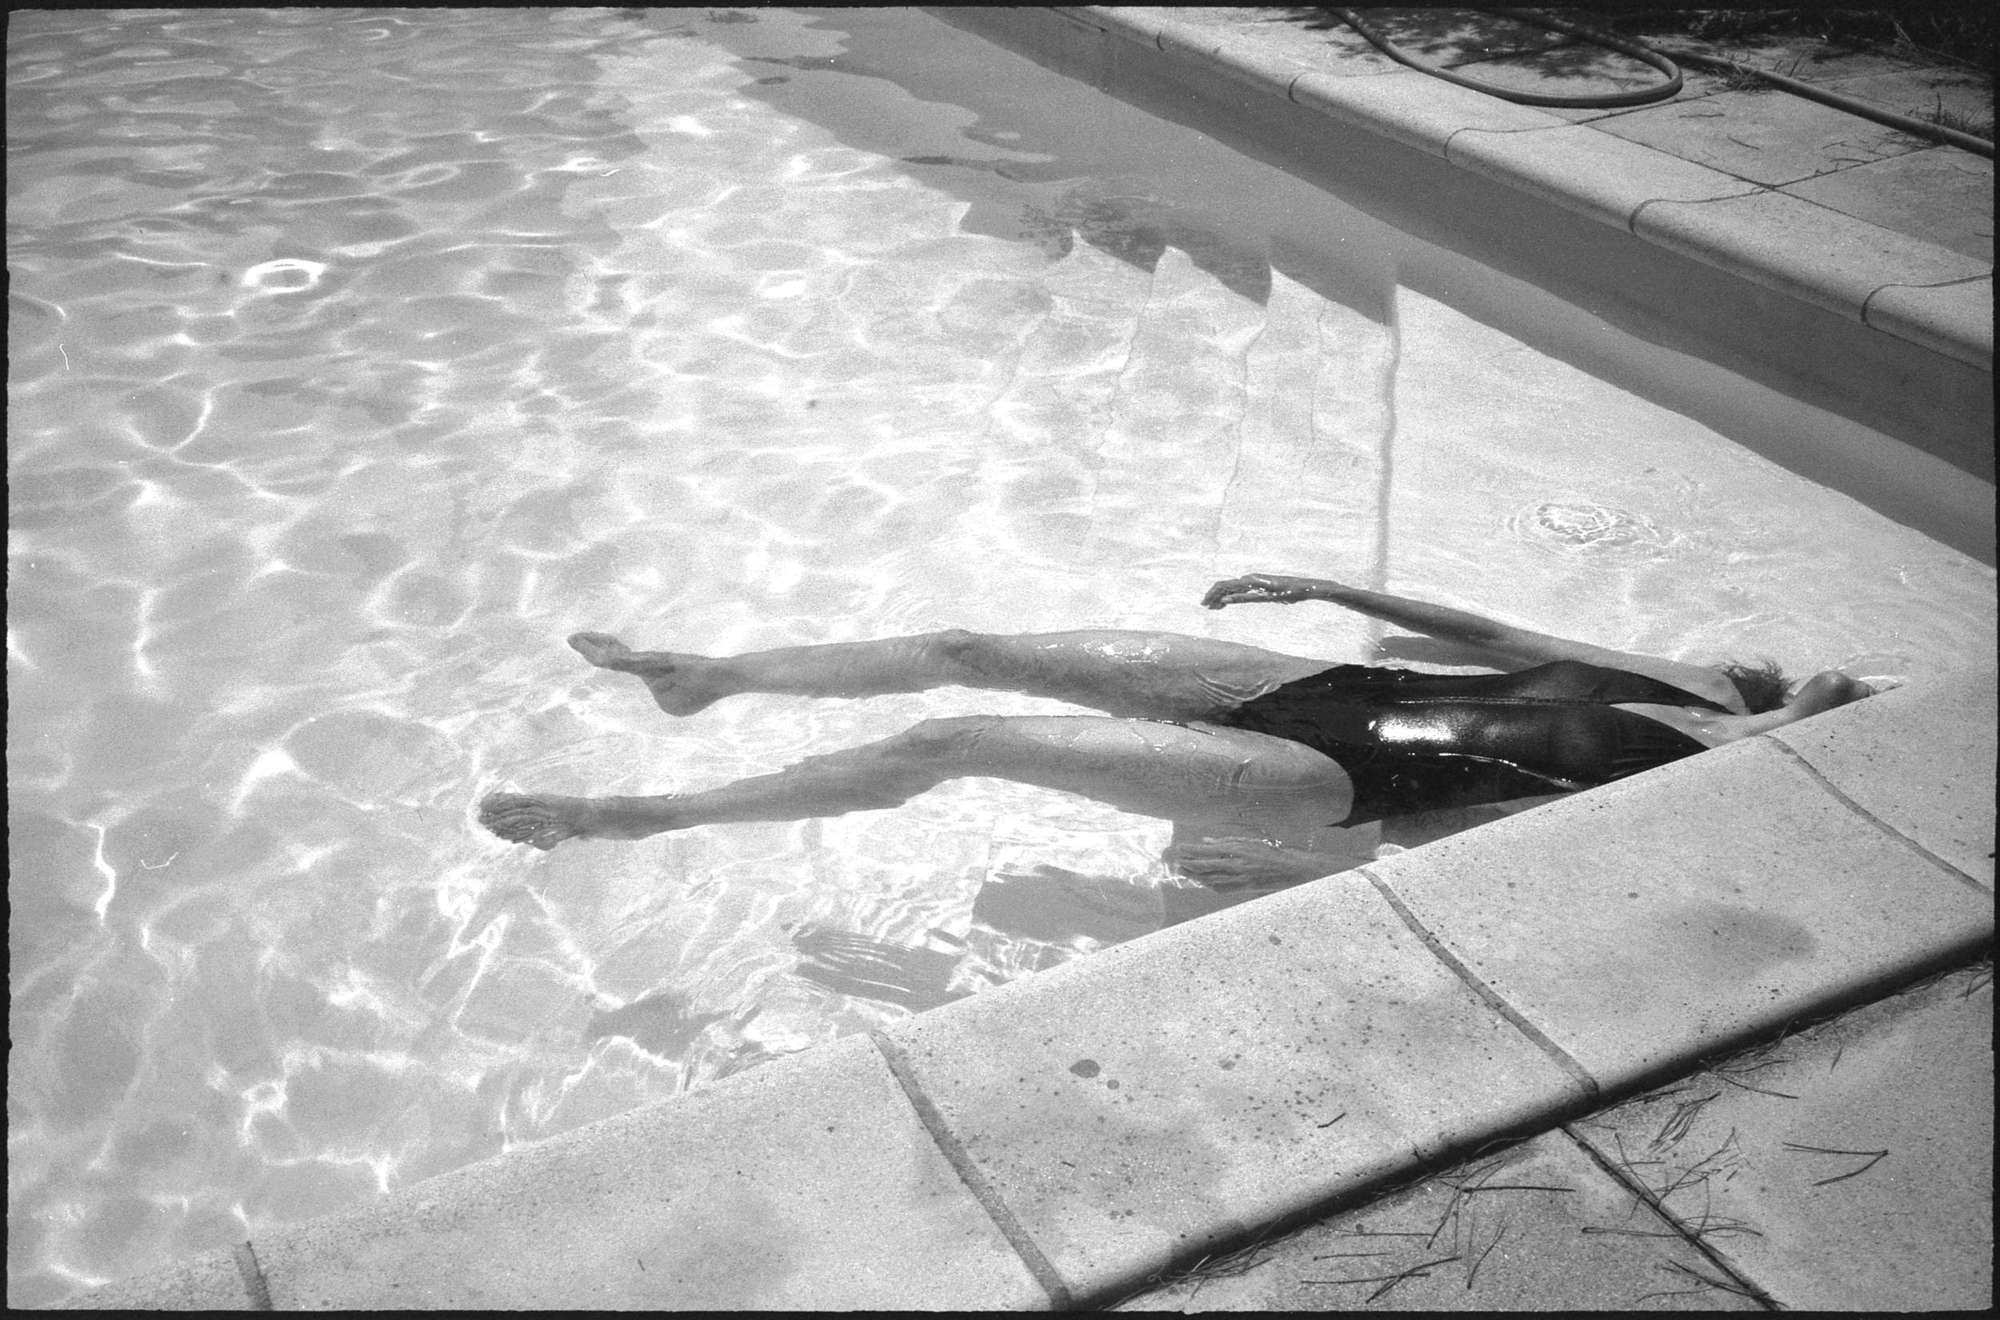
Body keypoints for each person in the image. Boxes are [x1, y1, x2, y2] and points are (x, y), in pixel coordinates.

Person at [479, 572, 1874, 886]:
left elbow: (1829, 739)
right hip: (1306, 683)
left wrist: (1826, 716)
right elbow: (1501, 645)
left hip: (1334, 772)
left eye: (1847, 693)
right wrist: (1331, 586)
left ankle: (639, 818)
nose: (1814, 673)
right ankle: (710, 676)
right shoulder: (1687, 681)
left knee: (957, 736)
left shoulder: (1755, 763)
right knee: (977, 645)